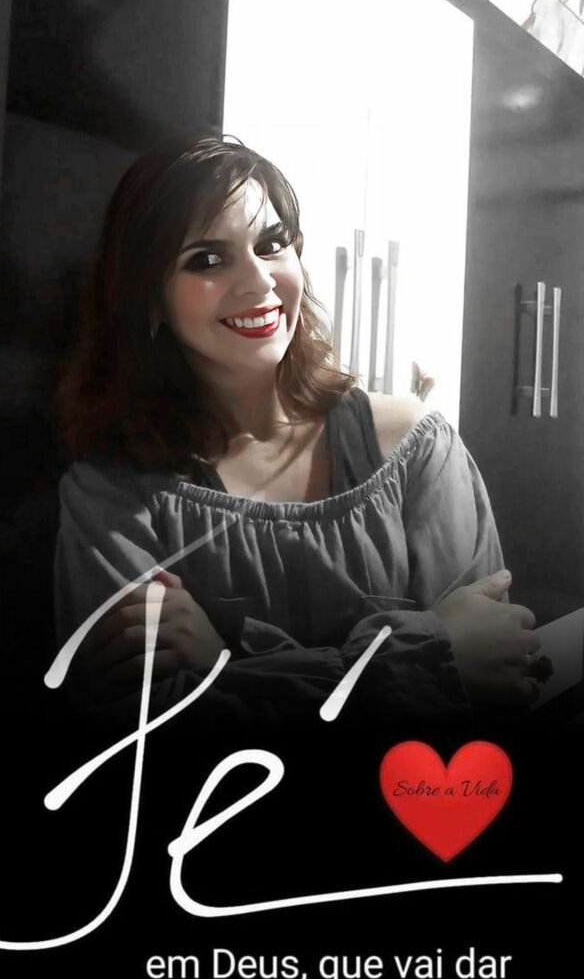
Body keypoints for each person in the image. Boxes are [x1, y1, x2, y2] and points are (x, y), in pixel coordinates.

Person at [53, 131, 541, 735]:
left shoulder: (414, 446)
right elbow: (143, 741)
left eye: (272, 244)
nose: (260, 282)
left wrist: (228, 664)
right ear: (149, 299)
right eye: (207, 259)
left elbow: (497, 675)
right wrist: (425, 664)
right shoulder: (113, 496)